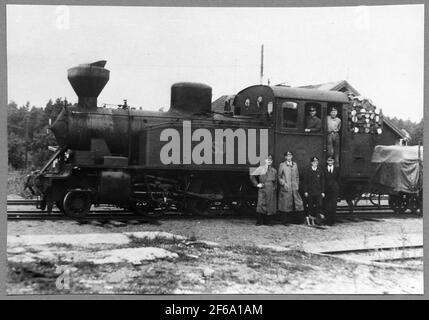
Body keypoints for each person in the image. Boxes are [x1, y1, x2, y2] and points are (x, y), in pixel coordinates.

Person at [250, 155, 277, 226]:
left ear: (272, 161)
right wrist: (257, 184)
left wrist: (274, 188)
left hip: (270, 189)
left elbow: (276, 181)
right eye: (268, 160)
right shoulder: (260, 168)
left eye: (270, 160)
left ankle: (268, 221)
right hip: (263, 188)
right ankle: (259, 221)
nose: (269, 161)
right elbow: (252, 176)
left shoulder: (274, 170)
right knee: (261, 204)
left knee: (270, 205)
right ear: (265, 161)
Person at [278, 151, 304, 224]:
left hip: (294, 188)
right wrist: (283, 183)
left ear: (292, 157)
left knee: (296, 203)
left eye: (290, 155)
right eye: (287, 156)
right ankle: (285, 221)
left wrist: (297, 185)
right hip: (286, 187)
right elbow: (279, 176)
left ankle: (294, 220)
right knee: (285, 204)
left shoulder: (295, 164)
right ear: (285, 157)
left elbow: (297, 176)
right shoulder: (282, 165)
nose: (289, 157)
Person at [303, 156, 325, 226]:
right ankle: (309, 220)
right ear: (311, 163)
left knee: (319, 206)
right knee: (310, 206)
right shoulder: (308, 171)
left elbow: (322, 182)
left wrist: (323, 191)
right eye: (313, 162)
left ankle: (317, 220)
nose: (315, 163)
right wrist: (305, 191)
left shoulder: (320, 171)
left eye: (316, 162)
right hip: (310, 192)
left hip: (318, 192)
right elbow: (305, 182)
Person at [324, 156, 340, 226]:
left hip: (334, 189)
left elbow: (338, 179)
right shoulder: (324, 169)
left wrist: (336, 186)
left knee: (333, 205)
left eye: (331, 160)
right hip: (326, 189)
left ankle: (332, 220)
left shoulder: (337, 169)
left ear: (333, 161)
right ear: (327, 161)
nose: (330, 162)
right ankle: (327, 220)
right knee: (326, 205)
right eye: (329, 160)